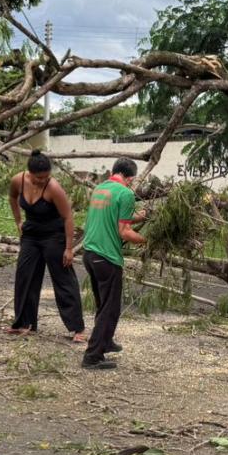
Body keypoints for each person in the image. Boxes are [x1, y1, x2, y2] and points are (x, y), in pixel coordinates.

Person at [5, 151, 86, 341]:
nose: (43, 180)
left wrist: (68, 248)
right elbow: (12, 198)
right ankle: (25, 323)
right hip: (31, 235)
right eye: (39, 177)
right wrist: (18, 221)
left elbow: (67, 218)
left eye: (46, 176)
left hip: (54, 236)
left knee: (63, 279)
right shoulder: (18, 180)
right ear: (29, 173)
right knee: (25, 276)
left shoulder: (54, 188)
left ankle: (77, 329)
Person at [81, 157, 146, 370]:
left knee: (103, 305)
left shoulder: (100, 188)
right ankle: (92, 356)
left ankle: (106, 342)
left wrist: (141, 216)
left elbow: (115, 216)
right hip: (107, 257)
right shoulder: (126, 193)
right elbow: (124, 231)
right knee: (110, 308)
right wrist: (148, 241)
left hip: (90, 254)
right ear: (130, 178)